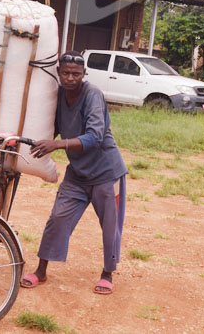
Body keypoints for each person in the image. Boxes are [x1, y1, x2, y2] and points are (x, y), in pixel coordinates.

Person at [20, 50, 127, 295]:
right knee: (57, 218)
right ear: (58, 73)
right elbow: (53, 127)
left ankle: (107, 273)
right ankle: (41, 271)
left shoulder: (93, 95)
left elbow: (95, 136)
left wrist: (57, 144)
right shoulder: (58, 97)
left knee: (110, 226)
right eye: (66, 73)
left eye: (76, 74)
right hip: (77, 174)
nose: (70, 78)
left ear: (84, 74)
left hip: (106, 172)